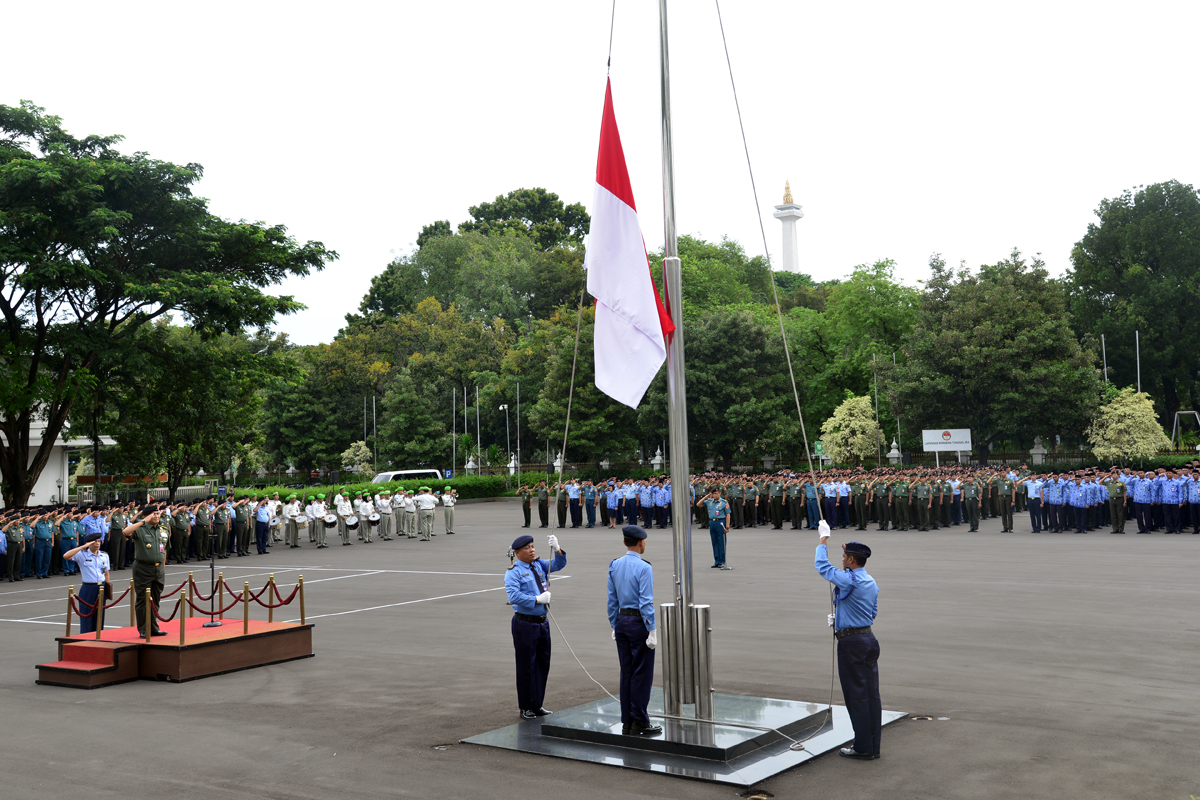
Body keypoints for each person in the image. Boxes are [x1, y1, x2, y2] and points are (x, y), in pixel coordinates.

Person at [814, 521, 881, 760]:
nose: (841, 560)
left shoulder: (849, 579)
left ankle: (863, 748)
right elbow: (871, 612)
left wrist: (823, 539)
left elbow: (822, 567)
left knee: (857, 696)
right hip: (868, 638)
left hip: (852, 644)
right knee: (871, 695)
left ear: (852, 560)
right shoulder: (870, 581)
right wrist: (843, 617)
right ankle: (872, 745)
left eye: (844, 557)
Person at [504, 533, 567, 719]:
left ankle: (537, 704)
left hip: (542, 623)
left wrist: (557, 548)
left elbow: (558, 564)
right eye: (527, 548)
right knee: (526, 666)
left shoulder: (538, 565)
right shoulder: (513, 572)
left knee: (542, 665)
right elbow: (513, 596)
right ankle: (526, 706)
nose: (532, 550)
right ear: (517, 552)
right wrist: (536, 599)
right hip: (525, 623)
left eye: (532, 546)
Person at [607, 524, 662, 737]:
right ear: (641, 543)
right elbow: (646, 602)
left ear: (624, 542)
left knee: (627, 672)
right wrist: (652, 629)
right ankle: (639, 719)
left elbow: (612, 599)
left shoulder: (614, 565)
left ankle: (627, 720)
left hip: (622, 620)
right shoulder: (644, 568)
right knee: (642, 673)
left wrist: (614, 623)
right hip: (639, 623)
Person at [123, 506, 168, 637]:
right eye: (154, 514)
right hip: (143, 568)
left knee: (155, 599)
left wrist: (162, 566)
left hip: (158, 568)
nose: (157, 516)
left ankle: (153, 627)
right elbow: (126, 532)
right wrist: (143, 521)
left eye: (158, 514)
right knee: (143, 599)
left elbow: (164, 550)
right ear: (146, 516)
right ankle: (143, 629)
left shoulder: (162, 529)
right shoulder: (140, 529)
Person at [64, 532, 111, 633]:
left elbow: (106, 574)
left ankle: (98, 635)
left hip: (101, 587)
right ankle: (86, 636)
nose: (98, 544)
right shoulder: (82, 555)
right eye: (95, 542)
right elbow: (66, 556)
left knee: (99, 615)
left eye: (99, 541)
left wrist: (108, 589)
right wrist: (82, 547)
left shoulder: (104, 555)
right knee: (87, 615)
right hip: (88, 588)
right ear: (89, 543)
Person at [700, 486, 732, 570]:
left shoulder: (724, 502)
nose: (714, 495)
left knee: (721, 542)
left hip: (720, 522)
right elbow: (698, 504)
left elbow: (728, 514)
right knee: (714, 542)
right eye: (713, 494)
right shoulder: (709, 502)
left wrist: (727, 526)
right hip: (712, 522)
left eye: (716, 493)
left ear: (720, 493)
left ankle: (722, 561)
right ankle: (716, 561)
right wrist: (706, 497)